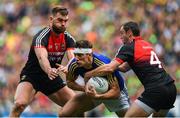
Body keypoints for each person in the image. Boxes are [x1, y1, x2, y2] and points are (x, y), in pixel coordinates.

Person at [84, 21, 177, 117]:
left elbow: (110, 68)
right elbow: (124, 68)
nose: (120, 37)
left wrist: (89, 74)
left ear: (129, 33)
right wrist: (113, 65)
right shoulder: (146, 44)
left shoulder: (128, 47)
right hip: (170, 88)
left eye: (122, 33)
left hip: (156, 89)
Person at [9, 6, 76, 117]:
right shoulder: (41, 37)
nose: (63, 24)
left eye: (65, 21)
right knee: (19, 105)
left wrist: (68, 66)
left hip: (51, 78)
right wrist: (49, 70)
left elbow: (72, 58)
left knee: (77, 106)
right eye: (60, 20)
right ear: (51, 19)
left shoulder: (69, 39)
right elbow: (42, 58)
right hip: (32, 76)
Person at [59, 40, 130, 117]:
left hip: (115, 92)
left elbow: (116, 92)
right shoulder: (74, 64)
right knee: (64, 114)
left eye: (79, 55)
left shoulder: (104, 64)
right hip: (93, 91)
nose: (76, 58)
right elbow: (70, 82)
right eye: (75, 55)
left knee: (128, 116)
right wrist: (85, 88)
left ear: (89, 55)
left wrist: (98, 96)